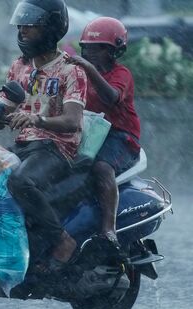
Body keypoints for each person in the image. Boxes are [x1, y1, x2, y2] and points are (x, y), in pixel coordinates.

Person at [0, 0, 88, 271]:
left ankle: (62, 241)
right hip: (24, 144)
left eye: (31, 24)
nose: (22, 29)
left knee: (21, 181)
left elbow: (72, 121)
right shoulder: (19, 67)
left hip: (56, 148)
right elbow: (5, 104)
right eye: (21, 23)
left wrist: (37, 119)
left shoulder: (71, 70)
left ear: (51, 28)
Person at [66, 17, 141, 250]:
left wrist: (87, 68)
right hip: (89, 133)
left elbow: (111, 97)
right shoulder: (78, 76)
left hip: (120, 137)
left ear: (115, 51)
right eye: (86, 48)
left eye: (99, 48)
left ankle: (109, 228)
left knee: (101, 168)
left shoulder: (122, 74)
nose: (91, 53)